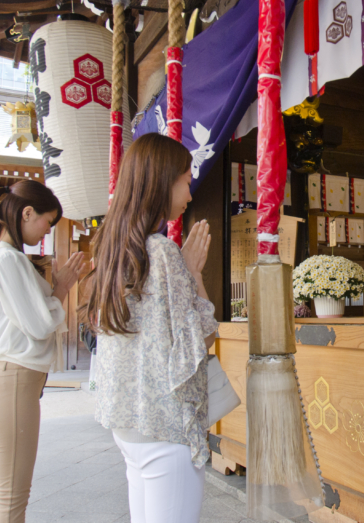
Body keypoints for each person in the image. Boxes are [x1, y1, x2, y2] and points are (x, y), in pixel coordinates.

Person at [86, 133, 218, 523]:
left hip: (128, 422)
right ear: (162, 181)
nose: (190, 194)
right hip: (164, 425)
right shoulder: (159, 251)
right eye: (186, 180)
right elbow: (202, 335)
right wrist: (193, 272)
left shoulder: (114, 249)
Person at [0, 181, 88, 523]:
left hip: (12, 382)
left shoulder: (8, 258)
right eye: (47, 222)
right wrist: (62, 287)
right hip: (11, 381)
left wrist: (57, 289)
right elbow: (39, 325)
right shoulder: (8, 259)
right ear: (26, 213)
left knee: (13, 494)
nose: (47, 230)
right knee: (11, 498)